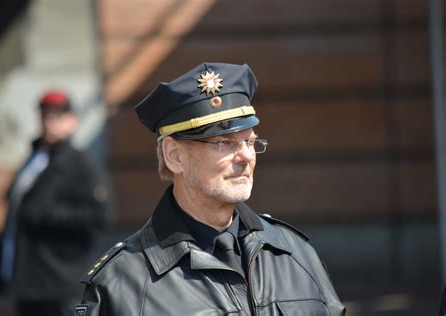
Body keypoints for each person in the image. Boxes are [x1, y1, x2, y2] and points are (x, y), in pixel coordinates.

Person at [76, 62, 345, 315]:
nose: (246, 157)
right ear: (174, 156)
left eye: (250, 142)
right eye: (224, 143)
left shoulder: (294, 253)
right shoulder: (123, 283)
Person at [0, 90, 111, 316]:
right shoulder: (35, 159)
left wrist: (46, 213)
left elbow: (99, 215)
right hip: (25, 282)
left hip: (60, 283)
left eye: (57, 116)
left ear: (72, 120)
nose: (50, 122)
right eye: (45, 115)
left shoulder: (82, 164)